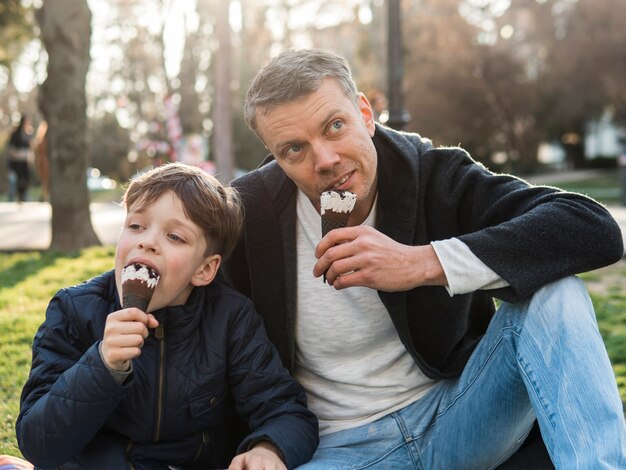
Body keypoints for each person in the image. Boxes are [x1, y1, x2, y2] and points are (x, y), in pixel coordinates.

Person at [224, 48, 626, 469]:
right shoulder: (251, 213)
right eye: (293, 150)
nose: (325, 160)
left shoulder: (436, 175)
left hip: (462, 414)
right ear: (275, 155)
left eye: (335, 126)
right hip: (340, 449)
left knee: (556, 292)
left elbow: (592, 227)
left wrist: (423, 263)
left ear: (365, 113)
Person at [16, 163, 318, 470]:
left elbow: (285, 410)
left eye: (175, 236)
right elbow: (38, 444)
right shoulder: (74, 310)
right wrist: (102, 365)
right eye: (136, 226)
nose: (146, 241)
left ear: (204, 270)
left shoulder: (230, 319)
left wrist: (269, 448)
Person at [7, 115, 34, 203]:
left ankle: (23, 197)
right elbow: (12, 151)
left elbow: (31, 148)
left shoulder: (28, 134)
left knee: (25, 180)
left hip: (25, 162)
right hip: (17, 163)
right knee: (17, 181)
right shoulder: (15, 134)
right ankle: (15, 198)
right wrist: (22, 154)